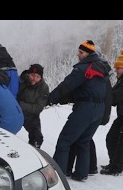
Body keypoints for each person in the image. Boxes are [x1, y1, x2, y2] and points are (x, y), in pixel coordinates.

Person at [47, 40, 109, 181]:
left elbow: (66, 86)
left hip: (86, 108)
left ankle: (57, 174)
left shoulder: (83, 68)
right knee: (84, 141)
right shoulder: (101, 68)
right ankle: (81, 173)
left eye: (81, 52)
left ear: (88, 53)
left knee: (64, 140)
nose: (78, 55)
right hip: (99, 109)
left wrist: (50, 98)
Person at [65, 54, 113, 176]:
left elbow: (104, 98)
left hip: (91, 112)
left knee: (79, 140)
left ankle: (72, 169)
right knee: (85, 140)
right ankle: (87, 169)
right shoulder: (104, 76)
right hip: (98, 113)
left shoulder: (98, 76)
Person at [16, 64, 49, 148]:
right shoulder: (20, 81)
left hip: (31, 115)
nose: (34, 78)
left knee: (37, 138)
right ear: (28, 74)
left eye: (38, 77)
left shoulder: (43, 88)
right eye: (32, 75)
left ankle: (33, 152)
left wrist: (20, 104)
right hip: (15, 111)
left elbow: (38, 108)